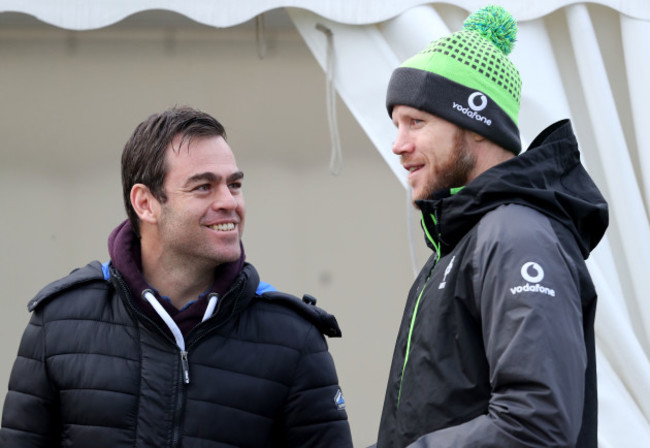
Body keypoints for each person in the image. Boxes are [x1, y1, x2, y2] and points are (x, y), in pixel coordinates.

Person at [0, 106, 353, 447]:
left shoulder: (295, 338)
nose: (229, 201)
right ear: (145, 203)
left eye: (234, 184)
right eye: (204, 187)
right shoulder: (58, 323)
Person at [374, 5, 608, 448]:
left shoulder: (516, 236)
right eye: (396, 125)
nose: (398, 145)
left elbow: (534, 424)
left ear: (477, 124)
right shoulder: (463, 242)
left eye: (417, 122)